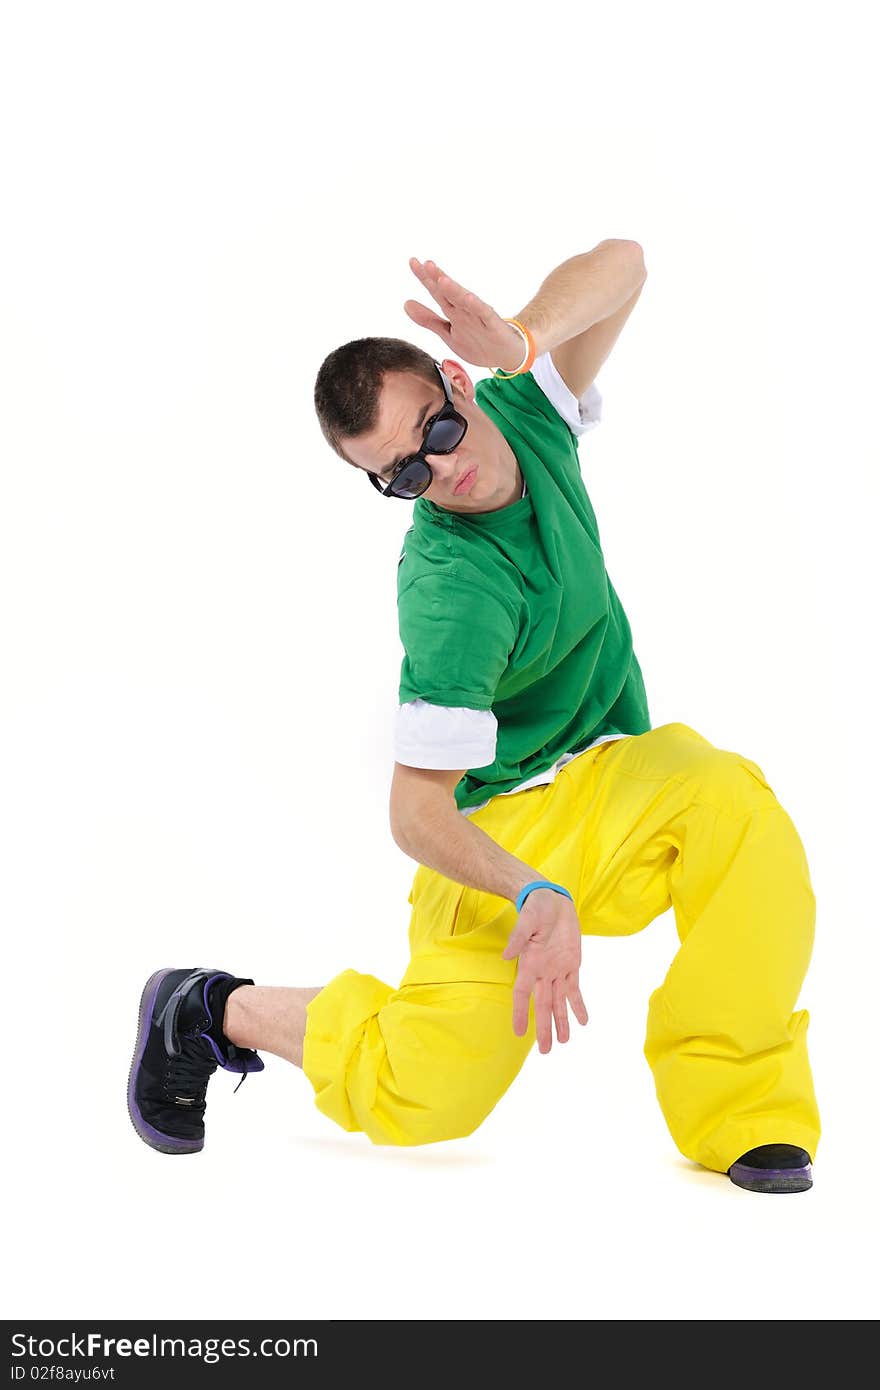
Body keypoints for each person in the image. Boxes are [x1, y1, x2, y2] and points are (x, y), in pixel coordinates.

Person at [127, 242, 821, 1193]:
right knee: (428, 1099)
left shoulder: (529, 410)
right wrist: (533, 891)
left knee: (734, 806)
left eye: (435, 433)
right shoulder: (452, 594)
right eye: (401, 474)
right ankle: (213, 1010)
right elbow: (417, 814)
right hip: (500, 836)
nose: (439, 473)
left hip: (618, 781)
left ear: (458, 382)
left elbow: (625, 265)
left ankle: (743, 1113)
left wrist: (524, 336)